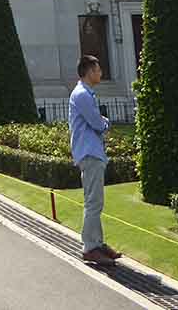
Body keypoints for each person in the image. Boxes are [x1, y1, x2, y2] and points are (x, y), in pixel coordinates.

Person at [70, 55, 122, 266]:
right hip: (90, 153)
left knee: (95, 202)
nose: (100, 73)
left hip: (92, 152)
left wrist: (102, 122)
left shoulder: (85, 93)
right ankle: (90, 248)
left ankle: (97, 243)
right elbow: (97, 123)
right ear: (89, 71)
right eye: (98, 70)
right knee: (93, 202)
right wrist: (105, 123)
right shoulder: (82, 94)